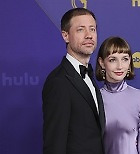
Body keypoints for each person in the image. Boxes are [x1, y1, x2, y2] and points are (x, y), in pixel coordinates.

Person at [42, 8, 105, 154]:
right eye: (81, 30)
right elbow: (54, 144)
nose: (89, 35)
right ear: (66, 36)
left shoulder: (90, 75)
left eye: (92, 29)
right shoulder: (58, 81)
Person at [95, 36, 140, 154]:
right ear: (102, 63)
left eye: (125, 59)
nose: (120, 66)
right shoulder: (94, 98)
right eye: (113, 60)